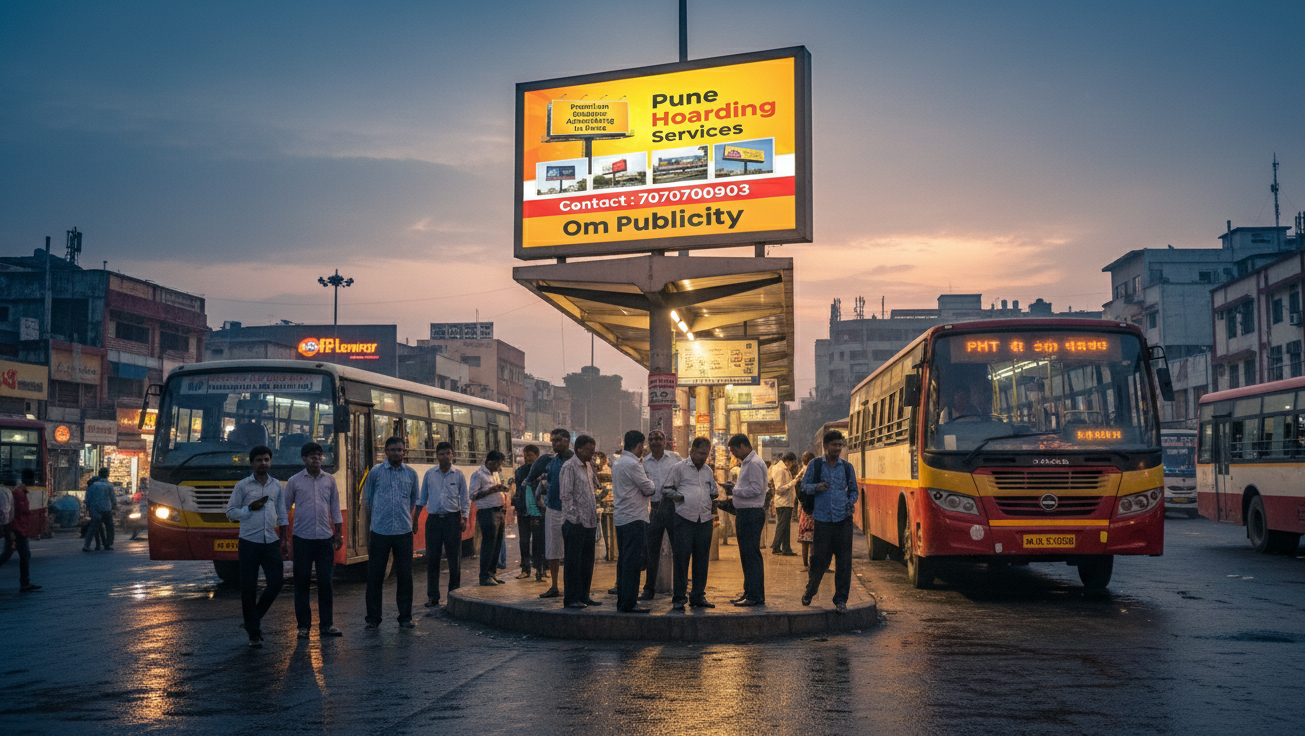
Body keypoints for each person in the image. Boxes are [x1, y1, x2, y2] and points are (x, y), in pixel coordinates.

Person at [225, 446, 289, 647]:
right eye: (259, 460)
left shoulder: (276, 486)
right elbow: (230, 513)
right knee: (248, 588)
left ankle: (253, 619)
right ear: (252, 463)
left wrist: (285, 539)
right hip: (249, 543)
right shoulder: (242, 486)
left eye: (266, 460)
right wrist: (249, 509)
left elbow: (282, 514)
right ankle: (253, 634)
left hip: (271, 541)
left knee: (276, 583)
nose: (263, 463)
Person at [284, 442, 343, 639]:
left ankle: (326, 625)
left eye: (319, 455)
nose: (316, 458)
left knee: (326, 582)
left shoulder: (330, 480)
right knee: (302, 583)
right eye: (312, 456)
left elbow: (335, 508)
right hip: (302, 539)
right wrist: (284, 538)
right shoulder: (294, 481)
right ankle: (303, 627)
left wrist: (338, 533)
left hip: (325, 539)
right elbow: (284, 509)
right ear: (304, 459)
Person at [362, 436, 420, 630]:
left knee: (405, 577)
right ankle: (373, 619)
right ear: (386, 452)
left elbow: (413, 499)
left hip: (403, 532)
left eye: (400, 450)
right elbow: (367, 501)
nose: (397, 453)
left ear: (404, 452)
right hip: (380, 531)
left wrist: (403, 516)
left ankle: (405, 618)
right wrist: (370, 527)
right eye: (393, 450)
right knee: (375, 577)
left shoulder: (411, 474)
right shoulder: (376, 473)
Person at [801, 430, 859, 614]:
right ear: (826, 446)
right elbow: (804, 486)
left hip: (843, 520)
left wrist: (850, 502)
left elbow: (854, 490)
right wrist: (816, 487)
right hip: (823, 520)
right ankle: (811, 590)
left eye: (840, 445)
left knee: (844, 562)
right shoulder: (816, 465)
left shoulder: (847, 467)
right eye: (834, 445)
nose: (838, 448)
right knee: (819, 560)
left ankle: (841, 600)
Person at [664, 437, 719, 612]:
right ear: (692, 451)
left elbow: (714, 490)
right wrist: (680, 497)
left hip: (704, 520)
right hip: (684, 519)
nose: (703, 457)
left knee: (702, 560)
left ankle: (698, 596)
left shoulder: (708, 470)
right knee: (681, 559)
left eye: (706, 454)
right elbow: (666, 488)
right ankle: (679, 598)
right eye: (701, 453)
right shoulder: (679, 468)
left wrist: (712, 496)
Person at [416, 441, 468, 610]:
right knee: (432, 559)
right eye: (442, 454)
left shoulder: (458, 475)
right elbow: (422, 498)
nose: (446, 456)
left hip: (452, 520)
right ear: (437, 456)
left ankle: (454, 594)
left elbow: (464, 499)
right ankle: (433, 596)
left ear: (452, 455)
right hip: (433, 521)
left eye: (448, 453)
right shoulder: (430, 474)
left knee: (454, 559)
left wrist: (464, 518)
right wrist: (415, 519)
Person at [525, 428, 572, 599]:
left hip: (571, 510)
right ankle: (554, 585)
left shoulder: (576, 460)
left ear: (566, 441)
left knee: (572, 550)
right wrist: (540, 503)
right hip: (553, 508)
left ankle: (572, 586)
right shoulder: (549, 461)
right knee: (553, 550)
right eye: (552, 440)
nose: (554, 443)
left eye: (557, 440)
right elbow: (531, 481)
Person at [611, 430, 655, 613]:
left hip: (622, 517)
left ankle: (623, 600)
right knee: (632, 562)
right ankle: (629, 602)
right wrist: (651, 483)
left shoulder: (618, 462)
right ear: (638, 445)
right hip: (634, 518)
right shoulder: (632, 464)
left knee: (624, 561)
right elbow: (649, 488)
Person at [558, 435, 601, 609]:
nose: (592, 453)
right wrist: (575, 518)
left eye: (593, 450)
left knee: (587, 562)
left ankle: (584, 595)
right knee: (573, 562)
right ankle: (571, 598)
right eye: (589, 450)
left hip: (589, 521)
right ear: (579, 449)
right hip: (575, 522)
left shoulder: (588, 466)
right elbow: (566, 495)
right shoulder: (569, 467)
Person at [639, 430, 682, 600]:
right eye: (651, 439)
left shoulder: (675, 459)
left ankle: (679, 591)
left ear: (665, 441)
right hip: (654, 509)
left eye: (658, 439)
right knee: (651, 551)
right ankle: (649, 589)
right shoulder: (644, 463)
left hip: (673, 507)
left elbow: (684, 479)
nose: (655, 442)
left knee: (678, 550)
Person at [727, 434, 768, 607]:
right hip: (745, 513)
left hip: (751, 513)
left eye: (734, 451)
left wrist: (735, 491)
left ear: (743, 446)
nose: (734, 454)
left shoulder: (754, 463)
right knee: (746, 555)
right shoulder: (746, 463)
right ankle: (749, 591)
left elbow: (756, 489)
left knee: (751, 555)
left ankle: (755, 595)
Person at [471, 450, 511, 586]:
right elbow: (473, 495)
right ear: (490, 462)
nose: (499, 467)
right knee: (488, 545)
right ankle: (484, 576)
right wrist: (491, 490)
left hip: (499, 511)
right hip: (487, 512)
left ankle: (492, 574)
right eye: (498, 464)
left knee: (497, 545)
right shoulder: (478, 475)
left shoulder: (495, 474)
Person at [0, 469, 41, 592]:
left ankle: (25, 582)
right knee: (24, 554)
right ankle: (24, 582)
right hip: (17, 529)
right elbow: (12, 512)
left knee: (8, 554)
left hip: (17, 528)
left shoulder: (17, 492)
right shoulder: (16, 493)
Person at [512, 445, 545, 580]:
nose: (527, 458)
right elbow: (518, 490)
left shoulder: (542, 471)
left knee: (539, 541)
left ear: (537, 456)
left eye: (530, 455)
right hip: (523, 510)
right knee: (524, 541)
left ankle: (539, 569)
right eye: (525, 455)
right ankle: (525, 569)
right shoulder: (519, 471)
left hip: (538, 510)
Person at [769, 452, 800, 556]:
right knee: (782, 525)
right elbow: (779, 489)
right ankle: (776, 546)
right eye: (792, 463)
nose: (792, 465)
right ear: (788, 461)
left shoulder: (783, 469)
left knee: (785, 526)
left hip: (786, 502)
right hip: (783, 502)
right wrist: (793, 482)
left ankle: (786, 548)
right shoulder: (780, 470)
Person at [83, 468, 116, 552]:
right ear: (107, 475)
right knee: (109, 527)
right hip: (106, 509)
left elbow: (87, 498)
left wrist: (89, 507)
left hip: (94, 509)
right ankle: (108, 544)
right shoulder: (108, 485)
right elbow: (112, 498)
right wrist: (114, 506)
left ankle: (87, 545)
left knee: (94, 527)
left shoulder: (92, 484)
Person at [797, 451, 816, 569]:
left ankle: (806, 565)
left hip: (805, 509)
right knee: (813, 539)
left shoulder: (802, 472)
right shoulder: (814, 472)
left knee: (805, 540)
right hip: (814, 509)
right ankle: (813, 564)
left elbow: (798, 487)